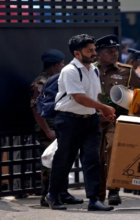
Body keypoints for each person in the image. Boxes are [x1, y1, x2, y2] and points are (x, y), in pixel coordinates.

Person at [45, 34, 115, 211]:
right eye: (89, 51)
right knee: (64, 160)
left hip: (90, 121)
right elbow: (79, 98)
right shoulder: (70, 71)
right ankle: (53, 195)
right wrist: (104, 108)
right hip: (68, 120)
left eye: (94, 50)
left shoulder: (94, 69)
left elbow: (93, 96)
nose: (94, 54)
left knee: (92, 160)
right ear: (77, 53)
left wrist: (100, 111)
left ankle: (93, 200)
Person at [95, 35, 140, 206]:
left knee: (115, 151)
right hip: (94, 120)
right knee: (96, 157)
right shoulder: (88, 70)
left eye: (115, 51)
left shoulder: (126, 71)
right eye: (109, 51)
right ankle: (97, 195)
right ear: (98, 54)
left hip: (117, 120)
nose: (114, 54)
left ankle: (113, 191)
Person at [29, 49, 82, 207]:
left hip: (60, 128)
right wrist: (47, 130)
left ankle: (62, 192)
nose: (63, 65)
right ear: (55, 65)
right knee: (49, 163)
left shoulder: (58, 79)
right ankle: (46, 195)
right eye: (61, 63)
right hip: (48, 130)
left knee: (63, 159)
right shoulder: (40, 83)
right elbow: (36, 109)